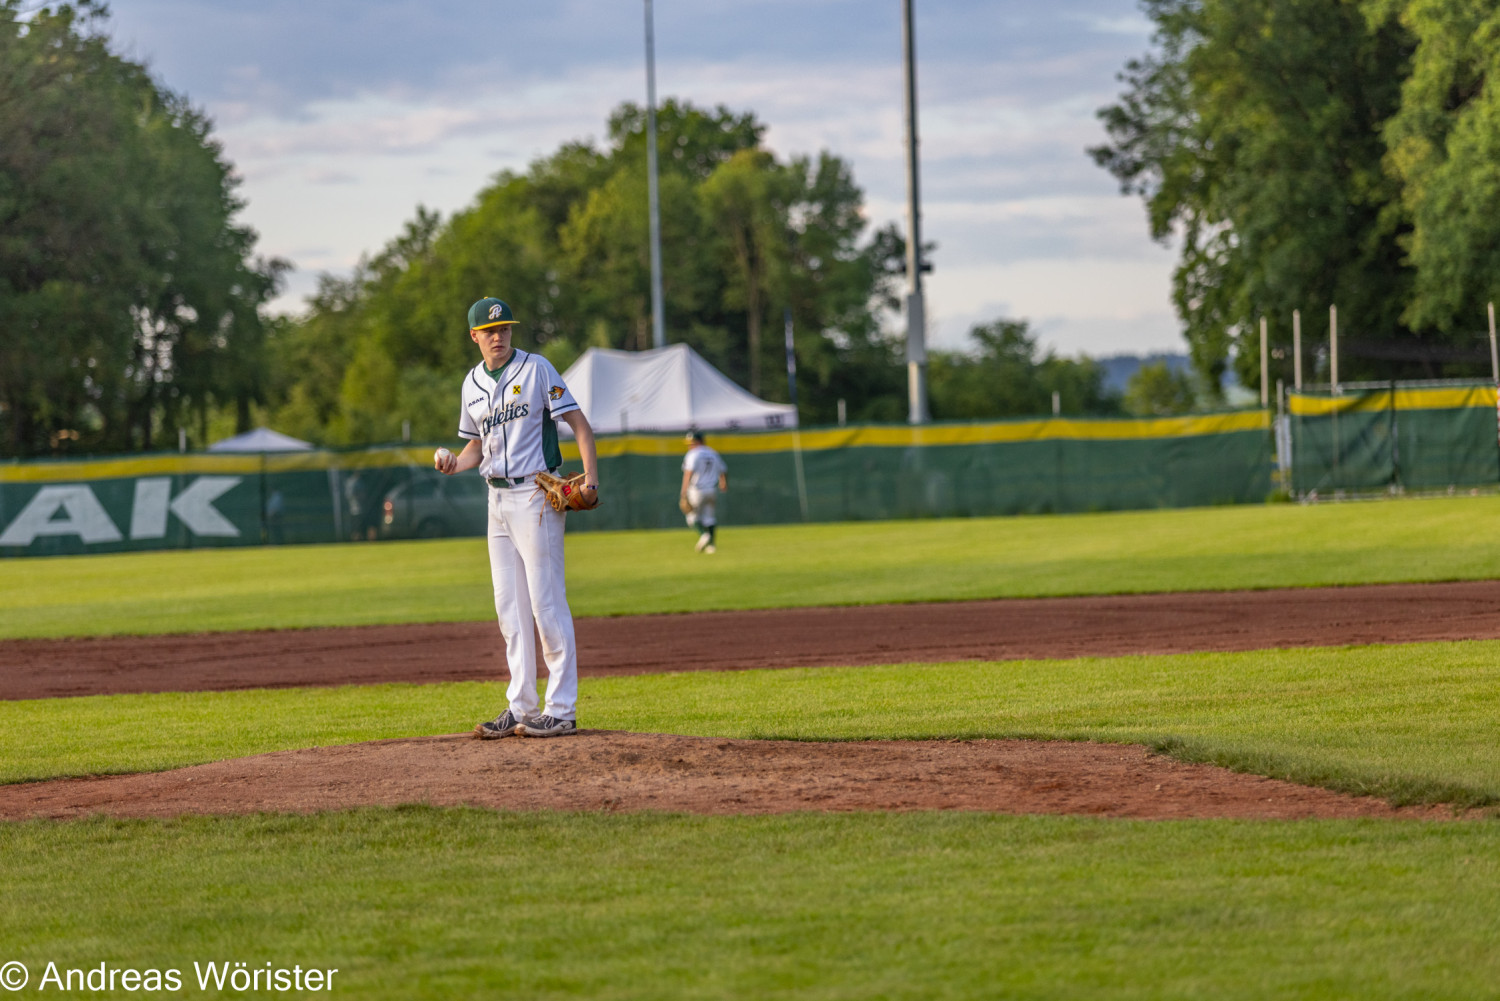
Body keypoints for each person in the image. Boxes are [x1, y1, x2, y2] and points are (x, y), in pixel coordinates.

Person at [434, 296, 599, 738]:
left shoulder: (537, 369)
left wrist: (592, 482)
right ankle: (522, 706)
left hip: (536, 495)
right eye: (489, 331)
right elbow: (476, 446)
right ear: (474, 336)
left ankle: (561, 710)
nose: (498, 336)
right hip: (497, 501)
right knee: (510, 608)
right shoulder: (471, 384)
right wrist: (455, 463)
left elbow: (580, 425)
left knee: (546, 603)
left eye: (504, 328)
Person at [679, 430, 728, 554]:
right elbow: (723, 469)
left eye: (691, 443)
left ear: (698, 441)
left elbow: (688, 473)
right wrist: (723, 482)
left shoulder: (693, 454)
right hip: (711, 489)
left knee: (691, 518)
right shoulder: (713, 453)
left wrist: (683, 492)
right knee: (709, 518)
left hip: (697, 490)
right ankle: (711, 546)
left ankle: (704, 535)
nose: (689, 446)